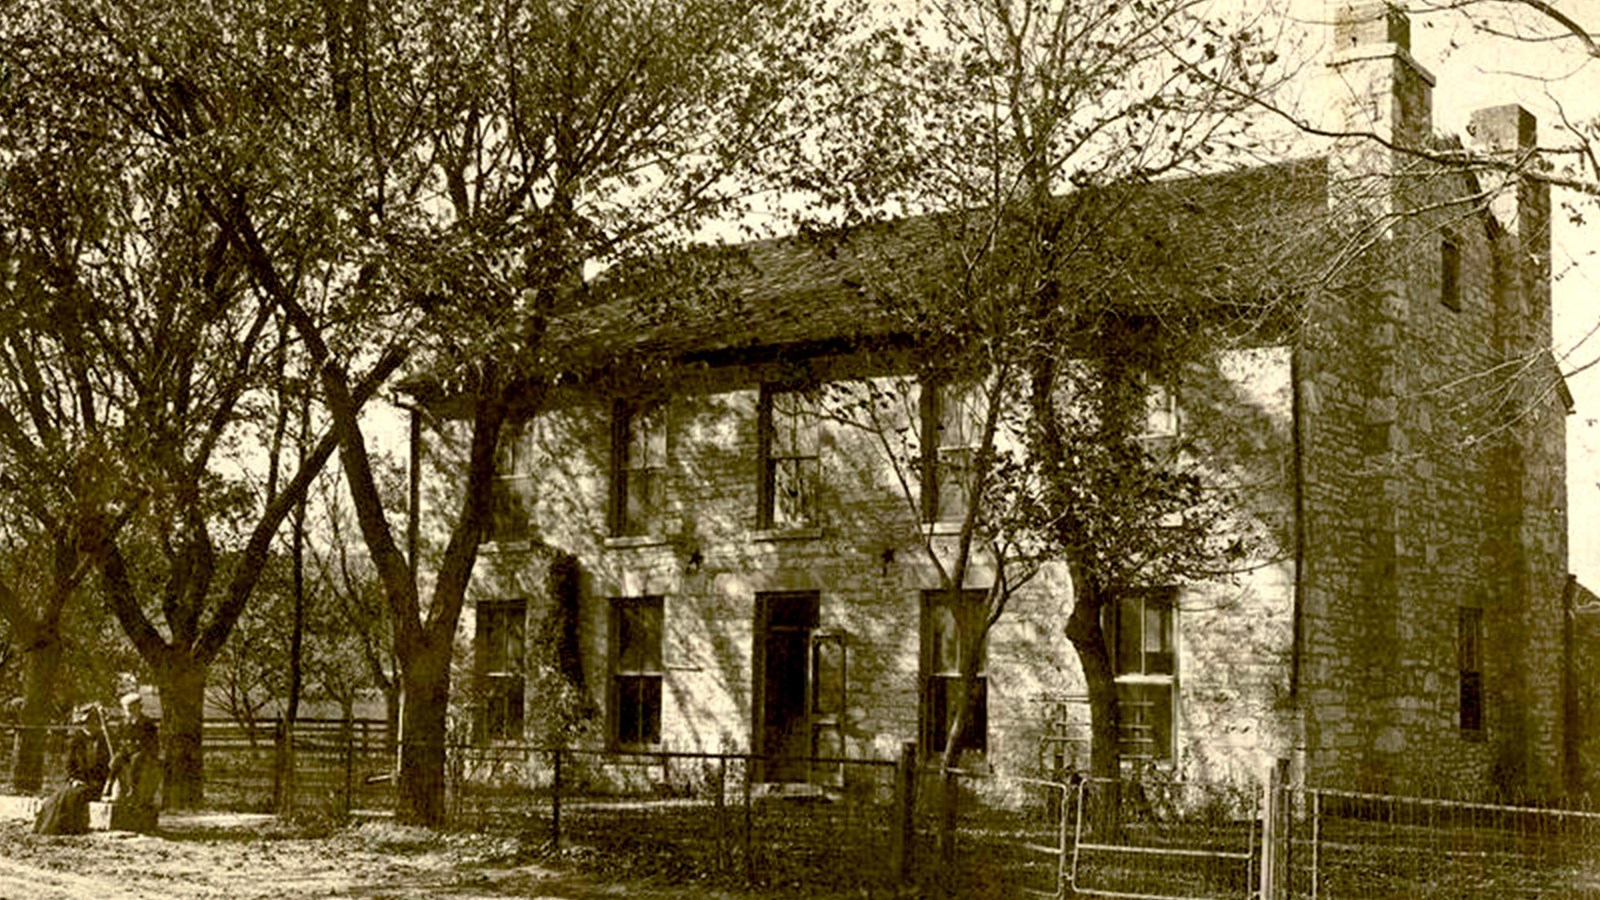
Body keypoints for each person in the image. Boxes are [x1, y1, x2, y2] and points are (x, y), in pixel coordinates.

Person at [32, 704, 110, 835]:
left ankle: (63, 829)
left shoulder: (104, 741)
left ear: (98, 722)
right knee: (55, 797)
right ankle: (43, 828)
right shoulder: (76, 740)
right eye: (85, 722)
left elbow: (105, 766)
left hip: (95, 783)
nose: (89, 726)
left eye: (92, 722)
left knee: (72, 797)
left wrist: (92, 780)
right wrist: (74, 779)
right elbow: (70, 765)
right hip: (77, 781)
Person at [104, 692, 161, 830]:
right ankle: (109, 783)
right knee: (115, 760)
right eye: (126, 709)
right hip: (127, 750)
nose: (129, 712)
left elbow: (152, 744)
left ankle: (134, 790)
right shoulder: (124, 723)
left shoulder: (147, 724)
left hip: (143, 752)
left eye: (131, 709)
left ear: (138, 708)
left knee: (136, 760)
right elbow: (119, 740)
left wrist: (148, 753)